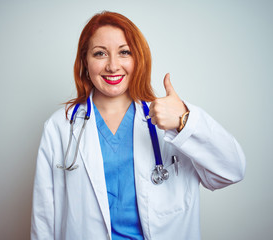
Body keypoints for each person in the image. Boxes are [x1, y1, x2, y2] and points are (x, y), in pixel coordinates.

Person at [31, 11, 245, 240]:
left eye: (124, 52)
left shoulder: (170, 118)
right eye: (100, 53)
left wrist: (185, 120)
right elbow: (44, 218)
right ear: (85, 60)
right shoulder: (60, 127)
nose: (113, 66)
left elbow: (231, 171)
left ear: (138, 59)